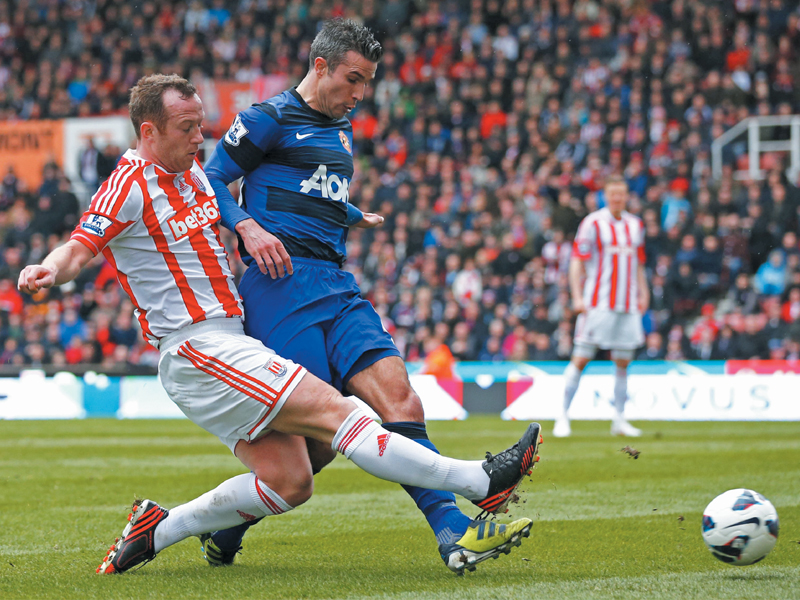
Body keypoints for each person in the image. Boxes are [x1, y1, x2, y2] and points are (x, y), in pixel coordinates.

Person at [17, 74, 541, 575]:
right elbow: (80, 247)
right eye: (187, 129)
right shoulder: (128, 184)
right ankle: (477, 480)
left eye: (201, 125)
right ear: (148, 131)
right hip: (197, 348)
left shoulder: (194, 173)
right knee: (343, 413)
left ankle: (161, 528)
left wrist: (343, 211)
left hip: (230, 341)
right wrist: (49, 270)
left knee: (292, 480)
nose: (201, 138)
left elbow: (271, 191)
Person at [204, 19, 524, 573]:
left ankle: (454, 534)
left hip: (336, 284)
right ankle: (228, 524)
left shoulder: (341, 129)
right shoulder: (267, 119)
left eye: (367, 84)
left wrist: (352, 214)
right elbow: (210, 180)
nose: (359, 95)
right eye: (353, 80)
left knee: (401, 400)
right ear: (320, 66)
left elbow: (312, 188)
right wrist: (246, 228)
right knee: (315, 450)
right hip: (278, 286)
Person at [554, 175, 649, 438]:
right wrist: (577, 296)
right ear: (606, 196)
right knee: (581, 357)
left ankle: (619, 419)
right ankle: (562, 415)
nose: (617, 198)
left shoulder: (635, 224)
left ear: (627, 195)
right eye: (612, 194)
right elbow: (577, 260)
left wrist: (644, 291)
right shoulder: (593, 223)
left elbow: (638, 263)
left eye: (621, 194)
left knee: (622, 362)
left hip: (627, 304)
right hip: (598, 303)